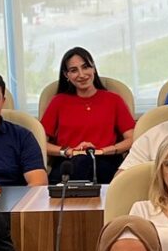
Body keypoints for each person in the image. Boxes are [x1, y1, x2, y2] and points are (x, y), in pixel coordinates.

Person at [41, 46, 135, 184]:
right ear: (66, 75)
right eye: (74, 70)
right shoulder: (58, 101)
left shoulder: (113, 100)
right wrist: (67, 151)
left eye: (85, 67)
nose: (81, 74)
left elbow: (132, 138)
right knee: (80, 163)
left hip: (106, 159)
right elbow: (40, 142)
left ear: (94, 68)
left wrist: (105, 150)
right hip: (69, 161)